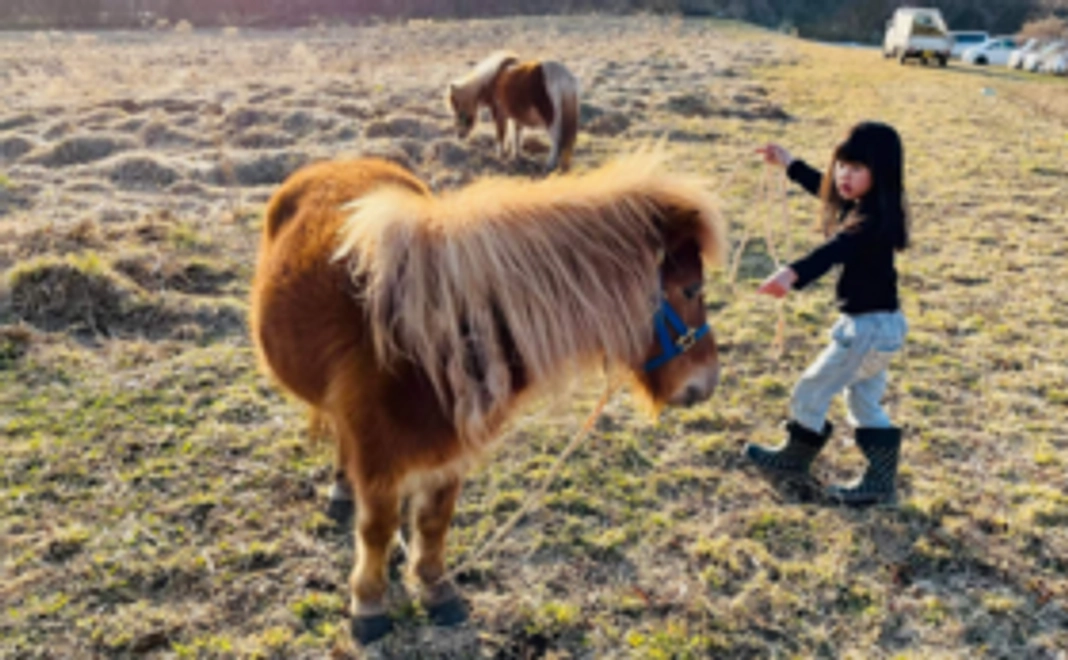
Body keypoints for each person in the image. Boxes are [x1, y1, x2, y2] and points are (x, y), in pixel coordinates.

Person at [746, 121, 910, 507]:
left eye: (856, 169)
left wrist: (791, 273)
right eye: (841, 165)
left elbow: (834, 249)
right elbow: (826, 189)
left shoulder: (869, 223)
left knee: (812, 388)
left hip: (868, 330)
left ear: (880, 173)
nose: (843, 176)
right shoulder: (869, 207)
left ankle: (794, 457)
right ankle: (880, 481)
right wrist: (789, 163)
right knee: (864, 403)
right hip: (883, 325)